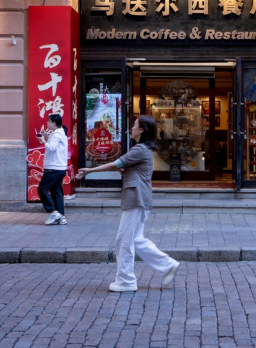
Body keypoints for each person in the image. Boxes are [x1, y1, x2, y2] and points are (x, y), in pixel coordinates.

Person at [77, 115, 179, 292]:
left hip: (136, 199)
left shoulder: (139, 150)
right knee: (136, 240)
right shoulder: (142, 150)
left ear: (141, 130)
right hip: (139, 199)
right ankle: (167, 265)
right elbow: (129, 169)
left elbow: (115, 163)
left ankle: (126, 281)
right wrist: (125, 170)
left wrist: (89, 170)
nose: (131, 128)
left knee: (123, 240)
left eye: (134, 125)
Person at [38, 113, 69, 225]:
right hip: (59, 168)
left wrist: (42, 140)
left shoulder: (57, 134)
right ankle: (61, 216)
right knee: (56, 192)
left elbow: (51, 147)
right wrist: (45, 136)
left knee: (41, 189)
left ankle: (53, 212)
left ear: (54, 123)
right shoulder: (60, 133)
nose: (47, 123)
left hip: (53, 168)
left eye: (49, 121)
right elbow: (52, 145)